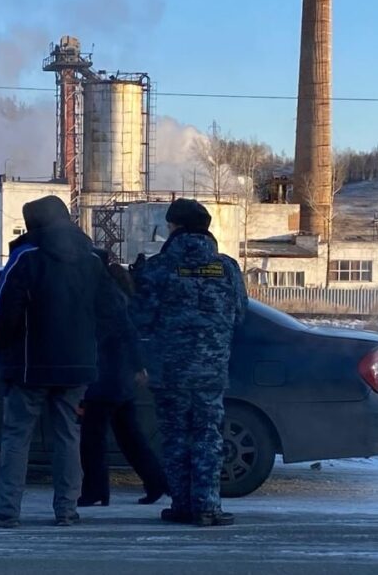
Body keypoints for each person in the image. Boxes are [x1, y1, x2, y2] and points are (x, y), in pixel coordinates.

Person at [0, 195, 136, 528]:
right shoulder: (92, 260)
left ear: (32, 224)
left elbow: (5, 311)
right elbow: (114, 311)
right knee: (68, 436)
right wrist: (93, 347)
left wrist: (4, 348)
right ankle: (66, 510)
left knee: (17, 437)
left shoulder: (26, 259)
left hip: (29, 366)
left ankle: (7, 511)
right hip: (78, 366)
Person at [134, 198, 248, 527]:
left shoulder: (158, 268)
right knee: (208, 436)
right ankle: (207, 506)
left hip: (170, 370)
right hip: (211, 370)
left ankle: (182, 505)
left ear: (175, 227)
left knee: (175, 437)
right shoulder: (227, 267)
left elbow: (140, 318)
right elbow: (240, 314)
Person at [78, 253, 168, 508]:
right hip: (119, 376)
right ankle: (156, 481)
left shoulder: (102, 293)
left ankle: (95, 490)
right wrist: (137, 366)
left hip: (105, 377)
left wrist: (138, 365)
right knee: (130, 436)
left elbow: (125, 331)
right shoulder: (115, 290)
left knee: (93, 437)